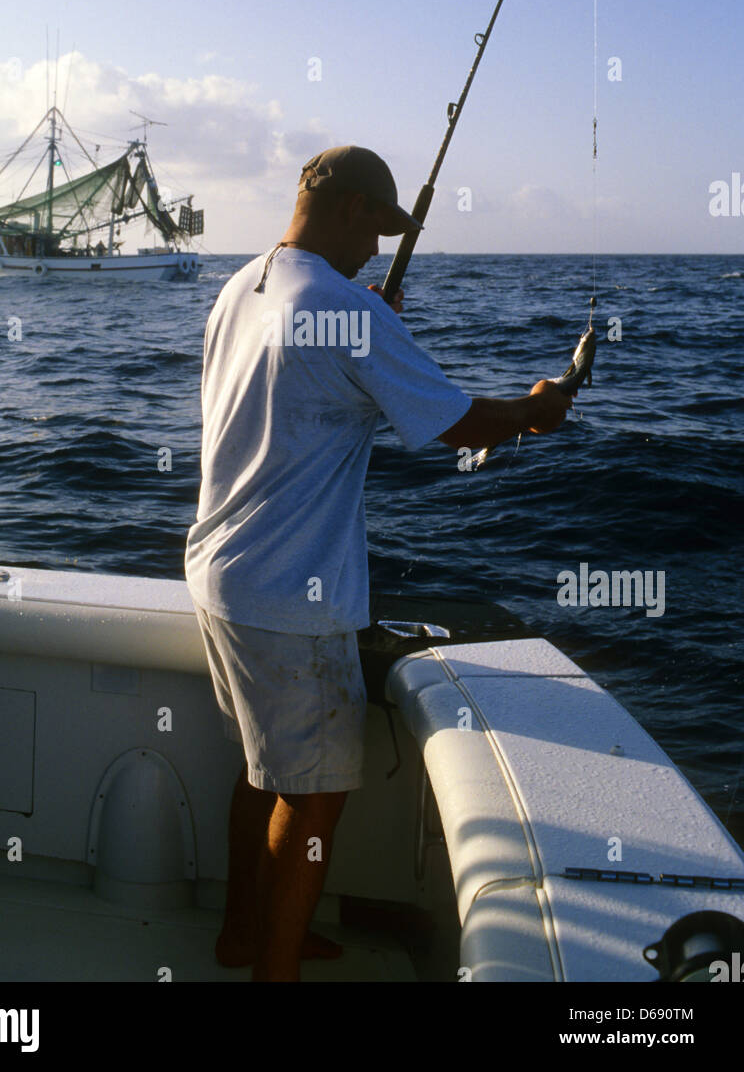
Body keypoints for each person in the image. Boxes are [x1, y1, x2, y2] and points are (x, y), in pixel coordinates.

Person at [184, 145, 571, 982]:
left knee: (262, 772)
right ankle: (273, 974)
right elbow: (457, 423)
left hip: (218, 574)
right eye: (380, 229)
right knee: (311, 792)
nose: (379, 247)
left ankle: (243, 936)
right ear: (353, 209)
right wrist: (537, 412)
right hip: (292, 596)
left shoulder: (244, 285)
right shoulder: (346, 311)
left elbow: (302, 383)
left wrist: (362, 318)